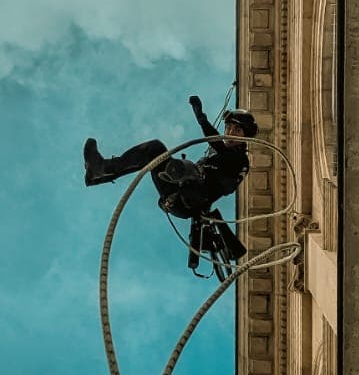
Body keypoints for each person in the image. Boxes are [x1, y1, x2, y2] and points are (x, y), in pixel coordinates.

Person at [84, 96, 260, 276]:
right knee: (153, 151)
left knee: (181, 165)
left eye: (237, 130)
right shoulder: (217, 156)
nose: (230, 132)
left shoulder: (239, 160)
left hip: (192, 199)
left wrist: (202, 119)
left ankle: (177, 172)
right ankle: (102, 171)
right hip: (176, 194)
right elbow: (218, 147)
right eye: (229, 126)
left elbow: (220, 155)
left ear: (246, 136)